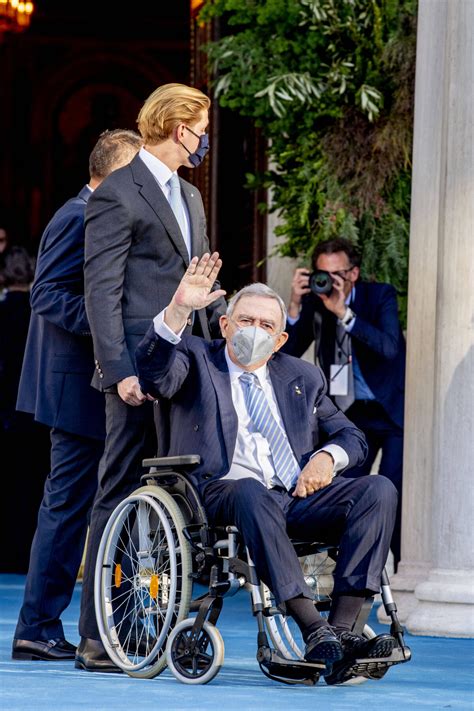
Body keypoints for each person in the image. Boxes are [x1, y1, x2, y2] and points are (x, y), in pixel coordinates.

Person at [135, 252, 399, 685]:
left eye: (266, 326)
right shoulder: (197, 359)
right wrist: (179, 309)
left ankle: (343, 632)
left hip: (292, 495)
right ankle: (313, 627)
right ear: (225, 325)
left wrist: (324, 457)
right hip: (221, 493)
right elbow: (154, 375)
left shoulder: (301, 375)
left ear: (279, 339)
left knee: (378, 490)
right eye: (245, 321)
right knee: (251, 490)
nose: (254, 332)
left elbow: (352, 437)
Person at [75, 83, 226, 672]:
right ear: (176, 125)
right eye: (202, 126)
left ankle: (150, 625)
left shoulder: (190, 197)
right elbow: (101, 291)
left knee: (176, 495)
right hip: (136, 367)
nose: (205, 138)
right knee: (116, 492)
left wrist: (223, 350)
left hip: (187, 362)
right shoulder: (119, 191)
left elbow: (201, 280)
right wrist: (116, 372)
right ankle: (96, 636)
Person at [11, 129, 142, 662]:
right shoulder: (77, 215)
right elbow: (45, 294)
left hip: (87, 384)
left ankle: (48, 624)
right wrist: (109, 329)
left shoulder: (98, 214)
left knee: (76, 507)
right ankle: (38, 626)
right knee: (65, 509)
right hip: (74, 386)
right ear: (111, 173)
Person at [282, 237, 406, 571]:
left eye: (337, 273)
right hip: (348, 417)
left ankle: (400, 571)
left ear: (354, 273)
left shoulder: (379, 295)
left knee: (393, 491)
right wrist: (294, 305)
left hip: (390, 411)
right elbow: (287, 352)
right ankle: (350, 571)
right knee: (347, 494)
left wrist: (345, 314)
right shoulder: (314, 301)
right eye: (322, 273)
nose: (329, 281)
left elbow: (390, 348)